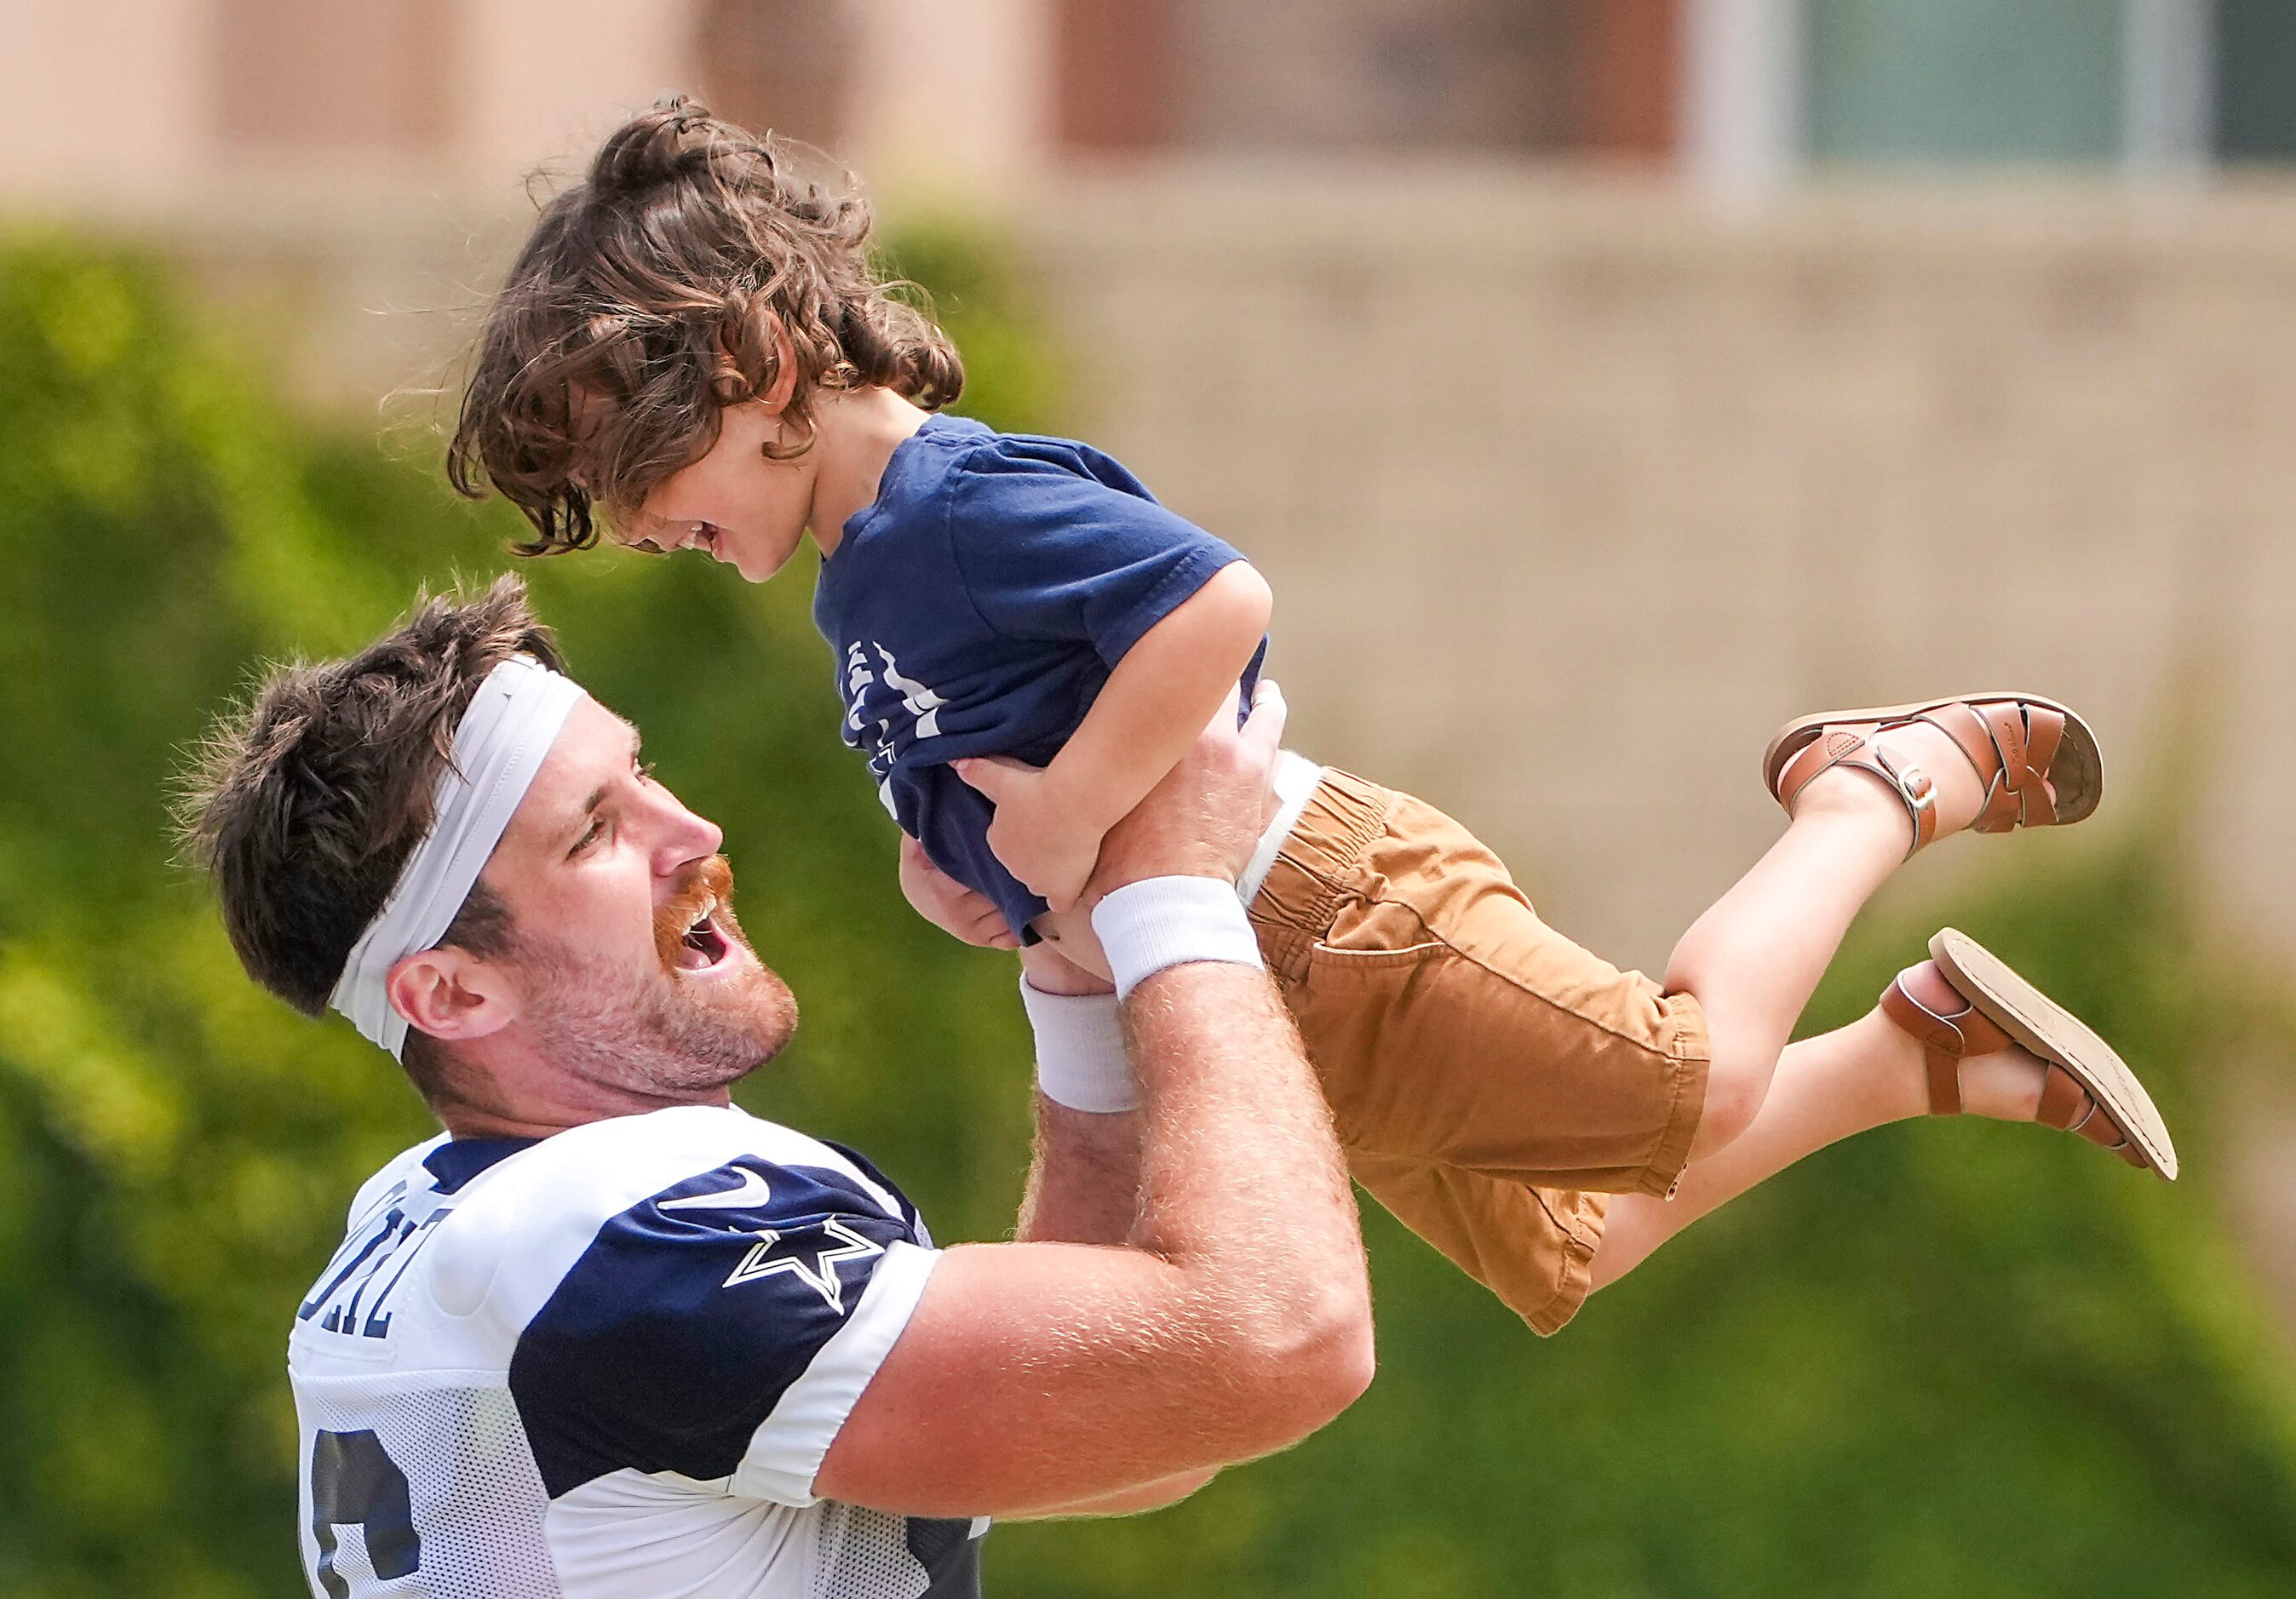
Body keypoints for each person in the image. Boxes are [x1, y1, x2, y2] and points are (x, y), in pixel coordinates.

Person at [445, 98, 2178, 1338]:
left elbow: (1215, 606)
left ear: (750, 359)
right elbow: (978, 780)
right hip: (1242, 988)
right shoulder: (857, 578)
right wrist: (957, 874)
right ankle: (1917, 1053)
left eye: (634, 468)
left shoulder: (945, 508)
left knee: (1693, 1076)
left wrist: (1070, 818)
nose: (639, 523)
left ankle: (1872, 785)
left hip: (1325, 912)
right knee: (1562, 1254)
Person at [178, 577, 1372, 1597]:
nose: (690, 829)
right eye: (596, 831)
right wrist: (1176, 890)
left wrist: (1069, 978)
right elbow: (1283, 1336)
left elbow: (1134, 1427)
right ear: (450, 992)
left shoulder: (447, 1214)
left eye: (640, 771)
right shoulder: (632, 1241)